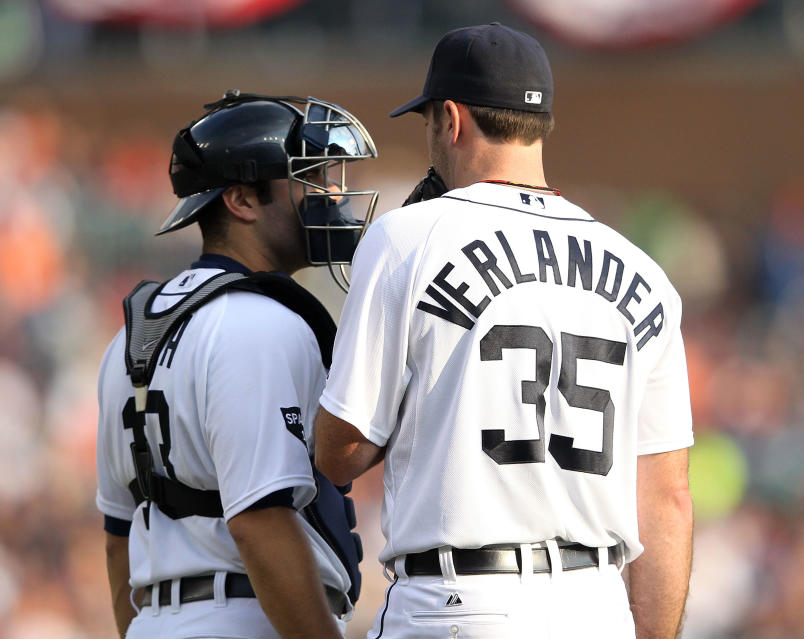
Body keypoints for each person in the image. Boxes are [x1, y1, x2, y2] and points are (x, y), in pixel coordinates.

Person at [314, 23, 694, 639]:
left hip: (460, 602)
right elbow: (667, 499)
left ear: (452, 120)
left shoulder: (409, 238)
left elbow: (341, 454)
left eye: (430, 120)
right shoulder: (644, 272)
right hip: (597, 608)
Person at [96, 91, 378, 639]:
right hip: (250, 617)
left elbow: (117, 539)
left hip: (157, 622)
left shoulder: (128, 338)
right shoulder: (260, 322)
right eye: (310, 177)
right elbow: (260, 520)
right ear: (243, 201)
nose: (333, 194)